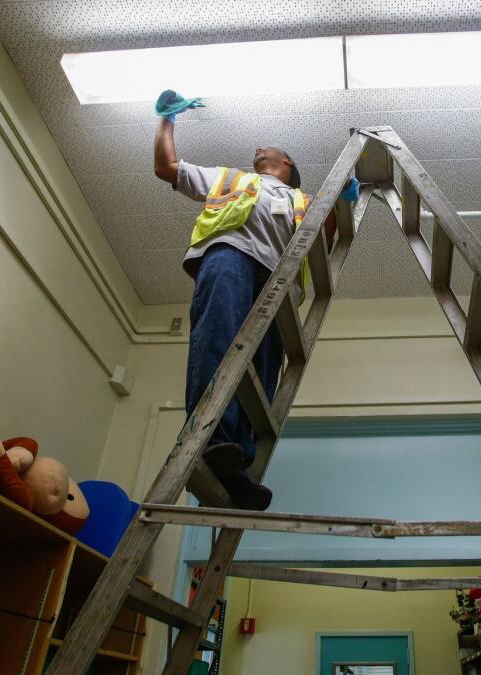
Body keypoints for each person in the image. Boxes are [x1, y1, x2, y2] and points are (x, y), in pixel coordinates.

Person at [152, 90, 355, 511]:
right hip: (230, 256)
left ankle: (235, 466)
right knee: (218, 339)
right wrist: (167, 122)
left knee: (263, 369)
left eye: (268, 148)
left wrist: (341, 202)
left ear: (288, 165)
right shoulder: (232, 179)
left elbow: (325, 237)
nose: (257, 148)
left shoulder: (305, 200)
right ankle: (212, 442)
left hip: (280, 282)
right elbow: (166, 167)